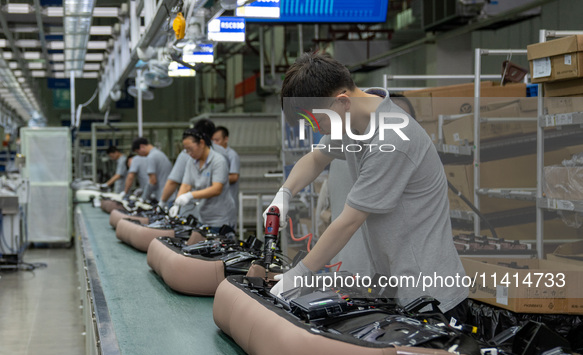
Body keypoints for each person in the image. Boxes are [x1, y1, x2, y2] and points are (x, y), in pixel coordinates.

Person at [264, 52, 468, 322]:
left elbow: (349, 221)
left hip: (430, 296)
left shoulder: (392, 138)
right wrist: (285, 193)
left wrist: (301, 272)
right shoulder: (352, 123)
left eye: (318, 121)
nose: (320, 130)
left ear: (342, 101)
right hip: (396, 286)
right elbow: (316, 158)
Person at [169, 128, 236, 229]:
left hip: (220, 218)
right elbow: (186, 184)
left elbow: (216, 189)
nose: (189, 153)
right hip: (203, 216)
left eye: (190, 149)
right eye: (186, 150)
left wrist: (190, 195)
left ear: (201, 143)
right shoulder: (191, 162)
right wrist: (177, 203)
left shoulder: (218, 161)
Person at [158, 119, 222, 213]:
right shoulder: (223, 152)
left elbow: (173, 182)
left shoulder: (186, 154)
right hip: (219, 211)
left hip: (193, 212)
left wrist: (162, 203)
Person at [131, 137, 173, 202]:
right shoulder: (159, 154)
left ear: (142, 146)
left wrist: (144, 197)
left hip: (163, 196)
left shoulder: (151, 157)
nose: (139, 155)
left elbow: (153, 181)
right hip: (170, 194)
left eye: (138, 152)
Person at [211, 126, 240, 216]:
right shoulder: (214, 155)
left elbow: (234, 177)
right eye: (213, 140)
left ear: (226, 139)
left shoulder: (232, 155)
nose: (214, 143)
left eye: (217, 140)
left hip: (228, 201)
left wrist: (215, 179)